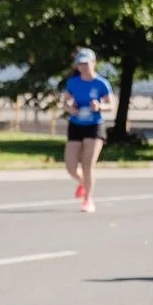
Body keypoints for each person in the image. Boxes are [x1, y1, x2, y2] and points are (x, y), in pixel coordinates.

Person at [57, 46, 117, 211]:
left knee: (88, 164)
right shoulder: (73, 82)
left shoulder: (101, 83)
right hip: (76, 124)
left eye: (86, 63)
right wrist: (70, 107)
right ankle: (84, 182)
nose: (83, 67)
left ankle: (88, 199)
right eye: (80, 64)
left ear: (94, 63)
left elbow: (111, 105)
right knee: (70, 166)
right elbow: (66, 102)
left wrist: (99, 106)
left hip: (94, 126)